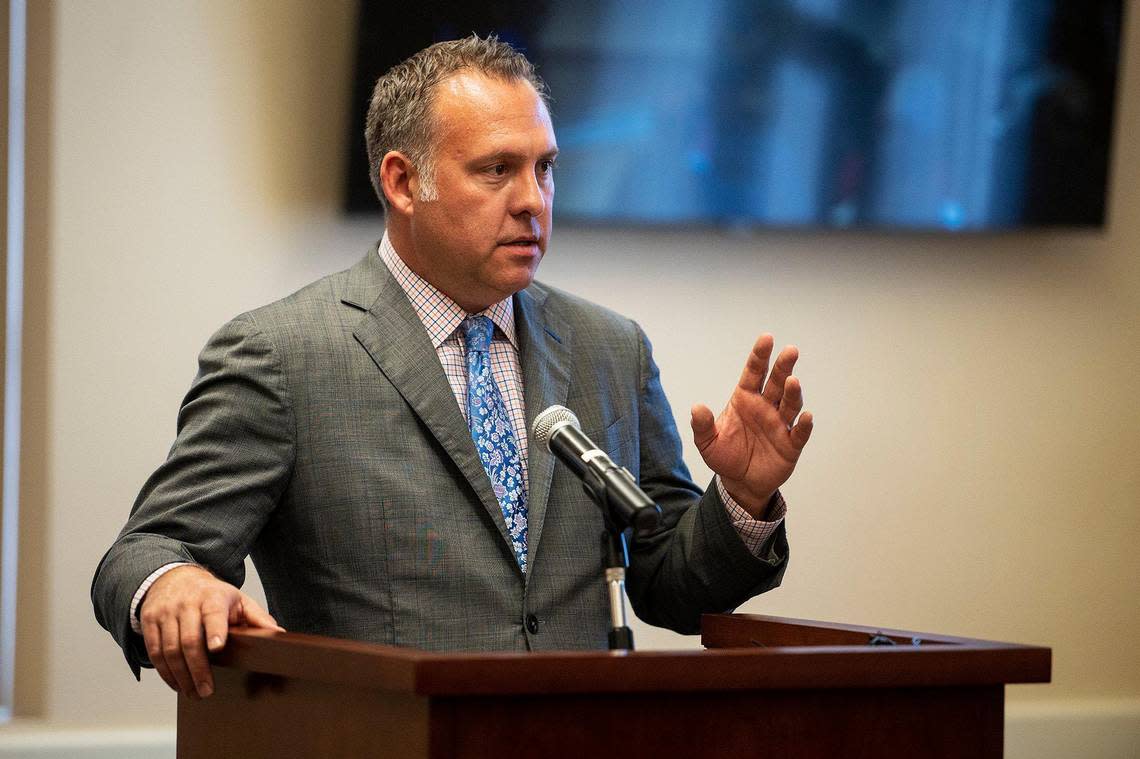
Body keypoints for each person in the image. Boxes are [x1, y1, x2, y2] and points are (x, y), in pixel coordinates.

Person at [91, 35, 813, 701]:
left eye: (545, 168)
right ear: (404, 183)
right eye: (497, 169)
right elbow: (147, 547)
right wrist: (172, 582)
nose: (534, 200)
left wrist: (742, 501)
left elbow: (668, 584)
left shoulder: (608, 347)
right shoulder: (282, 354)